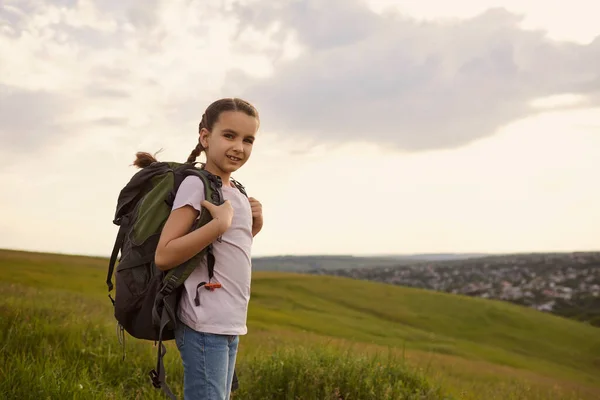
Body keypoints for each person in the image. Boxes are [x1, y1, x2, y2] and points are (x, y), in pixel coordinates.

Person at [140, 97, 263, 400]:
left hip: (229, 321)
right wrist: (218, 226)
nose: (239, 147)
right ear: (205, 137)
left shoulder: (236, 190)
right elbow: (164, 254)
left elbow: (227, 251)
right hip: (204, 323)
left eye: (248, 140)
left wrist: (253, 224)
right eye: (229, 135)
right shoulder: (196, 186)